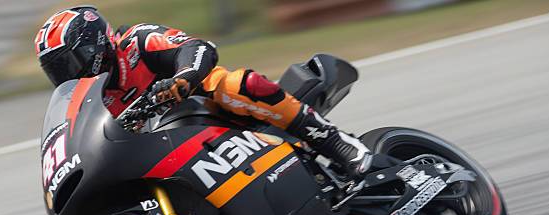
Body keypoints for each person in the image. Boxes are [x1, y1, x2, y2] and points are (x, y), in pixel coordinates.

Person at [35, 5, 374, 178]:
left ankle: (336, 143)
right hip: (166, 149)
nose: (68, 72)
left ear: (93, 43)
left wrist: (182, 79)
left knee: (231, 84)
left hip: (208, 114)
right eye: (58, 69)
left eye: (69, 61)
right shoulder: (94, 99)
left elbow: (197, 49)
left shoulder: (135, 41)